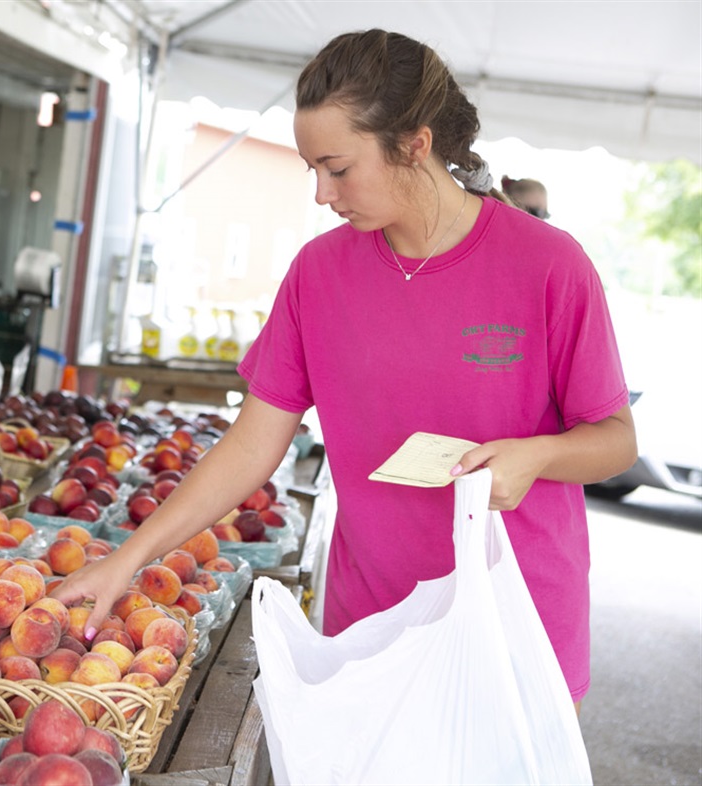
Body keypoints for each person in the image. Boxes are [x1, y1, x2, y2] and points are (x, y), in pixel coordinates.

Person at [52, 29, 636, 712]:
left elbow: (617, 441)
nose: (324, 195)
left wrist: (539, 455)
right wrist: (128, 558)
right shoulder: (319, 274)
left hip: (515, 626)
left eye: (338, 168)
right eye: (313, 172)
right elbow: (250, 446)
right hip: (371, 623)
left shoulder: (548, 265)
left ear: (415, 144)